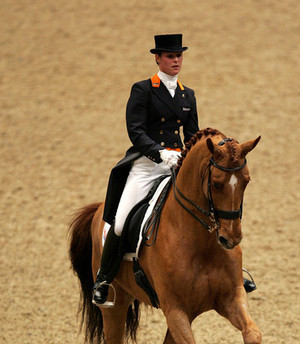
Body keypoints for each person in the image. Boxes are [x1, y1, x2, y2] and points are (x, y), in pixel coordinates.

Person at [92, 33, 256, 307]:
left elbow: (193, 135)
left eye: (179, 56)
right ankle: (104, 279)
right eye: (170, 56)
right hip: (146, 166)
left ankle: (235, 272)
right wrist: (159, 153)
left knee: (212, 207)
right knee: (120, 221)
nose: (176, 60)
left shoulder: (186, 94)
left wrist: (187, 157)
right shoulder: (143, 89)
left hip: (177, 166)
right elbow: (136, 130)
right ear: (158, 58)